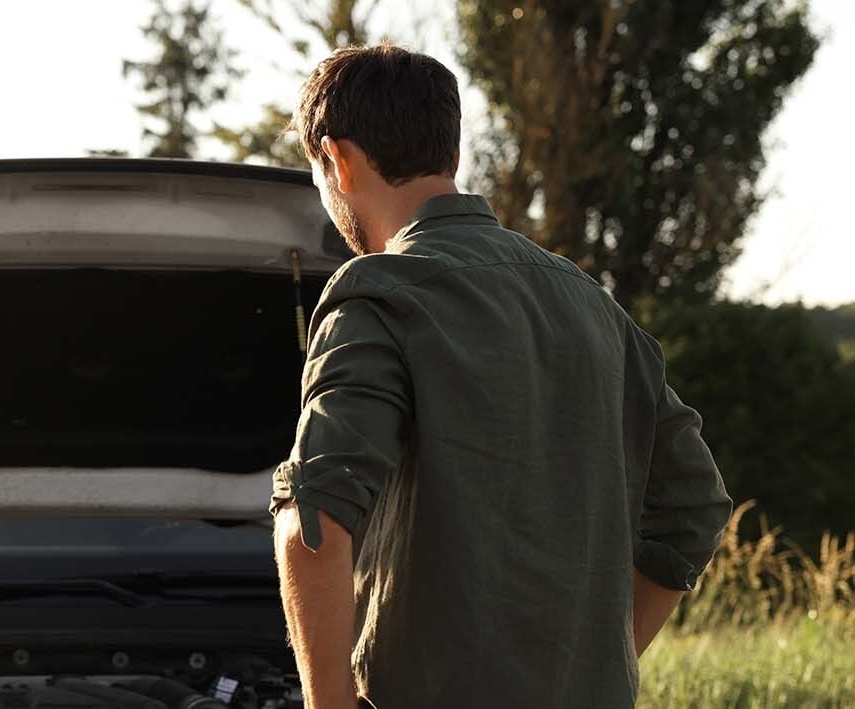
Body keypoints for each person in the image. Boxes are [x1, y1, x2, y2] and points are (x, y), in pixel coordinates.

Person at [269, 45, 732, 709]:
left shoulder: (379, 291)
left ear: (336, 159)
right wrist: (594, 663)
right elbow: (693, 509)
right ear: (451, 157)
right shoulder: (590, 302)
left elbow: (313, 523)